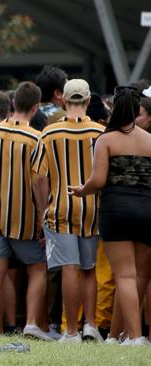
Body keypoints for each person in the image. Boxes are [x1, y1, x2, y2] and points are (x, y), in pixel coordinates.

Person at [69, 86, 151, 346]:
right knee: (138, 276)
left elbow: (99, 180)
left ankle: (135, 336)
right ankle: (117, 335)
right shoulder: (150, 140)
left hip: (116, 209)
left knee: (124, 276)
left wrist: (82, 190)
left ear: (114, 108)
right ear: (138, 109)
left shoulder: (107, 139)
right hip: (147, 209)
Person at [32, 79, 104, 343]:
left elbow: (39, 177)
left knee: (69, 269)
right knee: (89, 269)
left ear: (64, 101)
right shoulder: (99, 132)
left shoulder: (49, 133)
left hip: (60, 208)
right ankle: (91, 326)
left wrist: (43, 211)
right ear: (87, 101)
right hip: (92, 209)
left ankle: (71, 330)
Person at [0, 82, 50, 340]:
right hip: (25, 218)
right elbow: (38, 180)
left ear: (12, 104)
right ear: (35, 108)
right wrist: (42, 213)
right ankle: (32, 322)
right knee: (37, 270)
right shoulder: (36, 138)